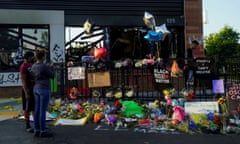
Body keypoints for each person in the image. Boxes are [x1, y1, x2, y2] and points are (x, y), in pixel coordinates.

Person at [31, 48, 55, 137]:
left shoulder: (34, 66)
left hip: (36, 88)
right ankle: (43, 131)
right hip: (44, 88)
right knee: (42, 110)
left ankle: (36, 129)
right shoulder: (43, 66)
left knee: (37, 110)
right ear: (43, 56)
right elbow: (52, 75)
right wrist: (52, 67)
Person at [19, 51, 35, 133]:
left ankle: (36, 125)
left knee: (34, 108)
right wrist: (26, 93)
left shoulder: (31, 65)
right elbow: (23, 81)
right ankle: (28, 125)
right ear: (28, 57)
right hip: (27, 89)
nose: (33, 58)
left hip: (33, 89)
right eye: (32, 57)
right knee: (27, 109)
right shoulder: (23, 67)